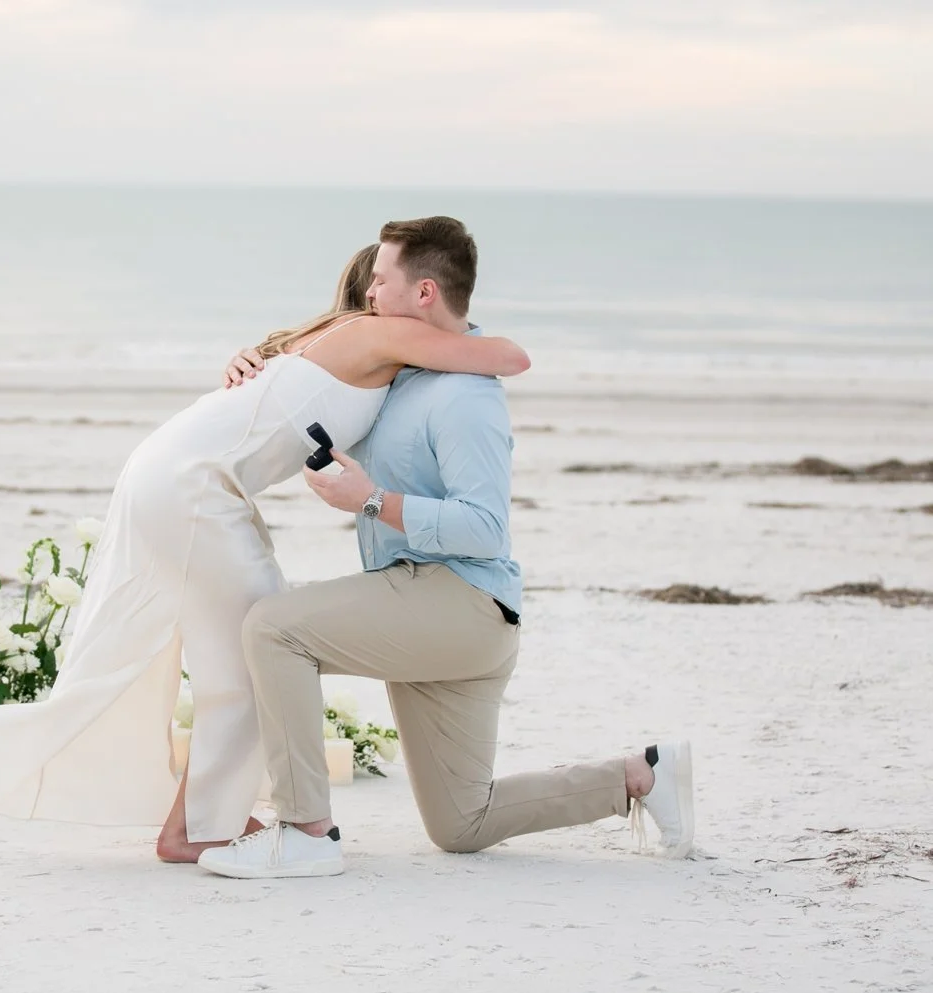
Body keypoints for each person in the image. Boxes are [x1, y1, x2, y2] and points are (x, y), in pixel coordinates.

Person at [0, 241, 532, 863]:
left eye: (382, 284)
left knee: (237, 651)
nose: (377, 295)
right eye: (377, 284)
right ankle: (208, 827)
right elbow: (506, 357)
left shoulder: (322, 339)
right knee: (258, 646)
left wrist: (249, 358)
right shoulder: (381, 335)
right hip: (193, 487)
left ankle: (197, 825)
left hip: (174, 473)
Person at [198, 216, 693, 880]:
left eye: (383, 280)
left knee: (273, 628)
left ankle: (305, 831)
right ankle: (642, 775)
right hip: (433, 612)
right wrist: (255, 365)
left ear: (425, 293)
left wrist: (373, 501)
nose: (371, 292)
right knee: (464, 823)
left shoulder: (465, 398)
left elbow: (485, 528)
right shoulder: (405, 369)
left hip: (463, 605)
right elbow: (323, 369)